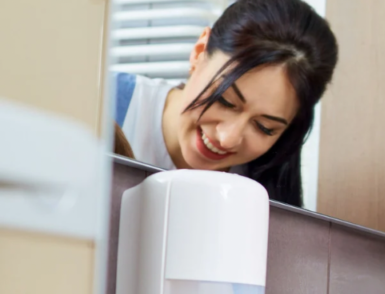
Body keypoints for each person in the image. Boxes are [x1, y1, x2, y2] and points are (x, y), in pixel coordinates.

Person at [112, 0, 338, 206]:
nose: (227, 138)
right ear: (199, 52)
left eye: (264, 127)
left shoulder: (265, 192)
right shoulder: (103, 102)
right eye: (224, 100)